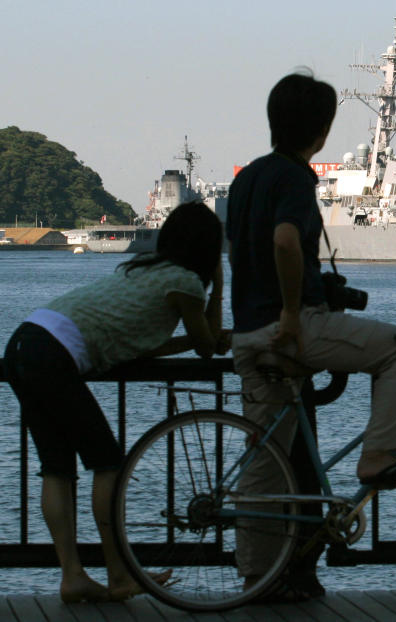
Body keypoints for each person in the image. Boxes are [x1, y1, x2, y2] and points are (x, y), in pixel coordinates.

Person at [226, 70, 396, 598]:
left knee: (265, 464)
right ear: (322, 130)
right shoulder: (296, 177)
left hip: (249, 335)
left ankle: (257, 575)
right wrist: (295, 313)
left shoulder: (246, 178)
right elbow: (286, 241)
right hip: (289, 328)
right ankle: (379, 456)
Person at [3, 200, 229, 603]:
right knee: (108, 464)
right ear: (209, 249)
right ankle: (119, 575)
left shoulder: (142, 270)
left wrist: (193, 338)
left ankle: (73, 575)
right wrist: (220, 285)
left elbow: (135, 343)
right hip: (54, 355)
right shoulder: (185, 284)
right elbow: (208, 348)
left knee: (57, 468)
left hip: (26, 340)